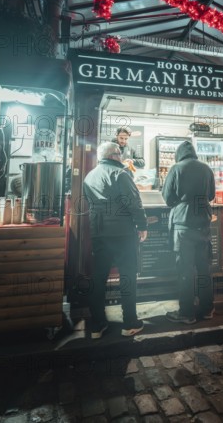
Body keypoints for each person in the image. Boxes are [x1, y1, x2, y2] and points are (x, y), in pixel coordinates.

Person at [83, 141, 148, 339]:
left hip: (98, 232)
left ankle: (97, 325)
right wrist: (142, 225)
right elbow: (133, 202)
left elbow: (89, 201)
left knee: (99, 278)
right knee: (128, 276)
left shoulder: (90, 175)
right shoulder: (120, 174)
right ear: (114, 155)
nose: (121, 156)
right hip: (122, 232)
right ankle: (129, 323)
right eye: (119, 153)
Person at [162, 140, 215, 324]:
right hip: (203, 224)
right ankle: (207, 309)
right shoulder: (207, 168)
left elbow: (167, 198)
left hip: (183, 226)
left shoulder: (176, 168)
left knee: (185, 270)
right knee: (204, 269)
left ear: (179, 154)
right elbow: (211, 196)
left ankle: (186, 313)